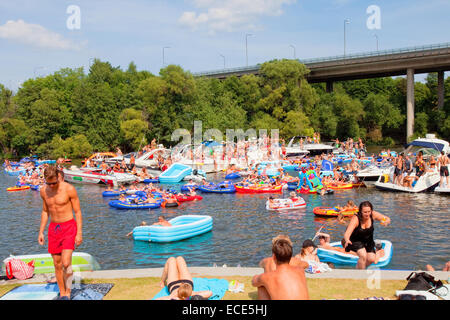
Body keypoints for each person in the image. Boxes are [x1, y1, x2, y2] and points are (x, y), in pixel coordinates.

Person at [38, 166, 83, 300]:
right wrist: (41, 232)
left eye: (54, 183)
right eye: (49, 183)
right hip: (54, 229)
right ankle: (62, 293)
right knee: (57, 264)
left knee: (66, 263)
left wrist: (79, 233)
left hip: (69, 227)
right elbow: (45, 211)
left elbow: (78, 212)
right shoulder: (43, 191)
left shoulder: (69, 189)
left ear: (58, 177)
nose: (51, 186)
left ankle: (68, 291)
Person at [342, 201, 390, 269]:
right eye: (365, 212)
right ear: (360, 211)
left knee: (371, 259)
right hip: (355, 240)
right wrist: (347, 240)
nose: (367, 214)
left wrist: (386, 221)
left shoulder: (373, 214)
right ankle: (361, 275)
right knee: (363, 255)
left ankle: (358, 269)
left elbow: (387, 218)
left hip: (368, 241)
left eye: (369, 211)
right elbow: (347, 233)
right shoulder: (356, 219)